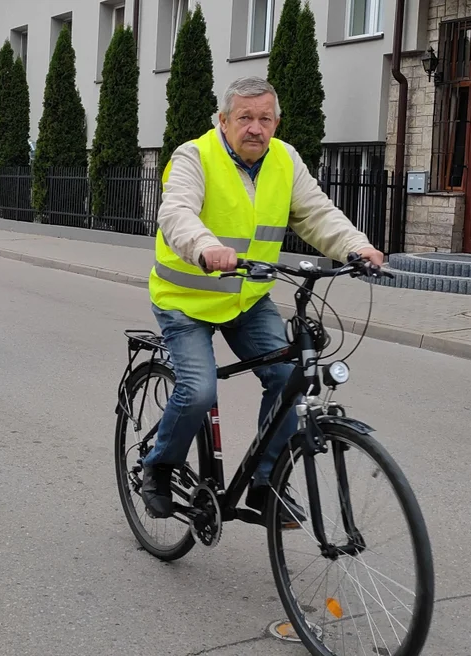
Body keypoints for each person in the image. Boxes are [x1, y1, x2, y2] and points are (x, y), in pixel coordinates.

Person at [141, 76, 384, 524]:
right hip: (185, 298)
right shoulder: (194, 156)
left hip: (247, 300)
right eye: (245, 118)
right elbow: (176, 213)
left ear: (276, 122)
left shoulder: (285, 159)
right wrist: (204, 247)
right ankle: (157, 467)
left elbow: (316, 213)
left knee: (290, 379)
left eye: (265, 119)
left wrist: (357, 246)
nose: (255, 128)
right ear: (224, 120)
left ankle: (266, 484)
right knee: (198, 391)